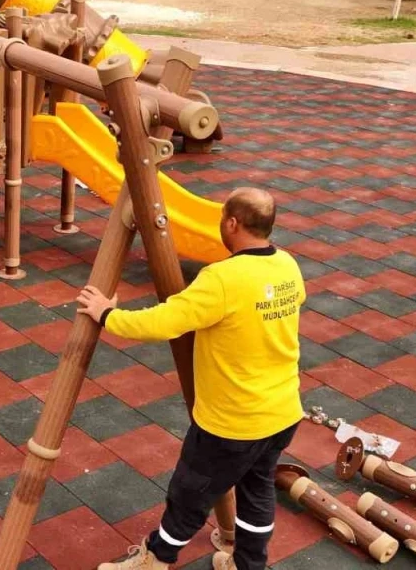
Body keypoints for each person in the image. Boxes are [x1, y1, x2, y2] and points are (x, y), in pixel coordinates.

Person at [77, 188, 305, 570]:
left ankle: (156, 559)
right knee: (257, 490)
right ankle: (249, 564)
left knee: (189, 494)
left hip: (234, 422)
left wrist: (107, 315)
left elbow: (164, 321)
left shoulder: (222, 279)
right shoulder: (287, 265)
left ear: (232, 223)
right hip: (282, 412)